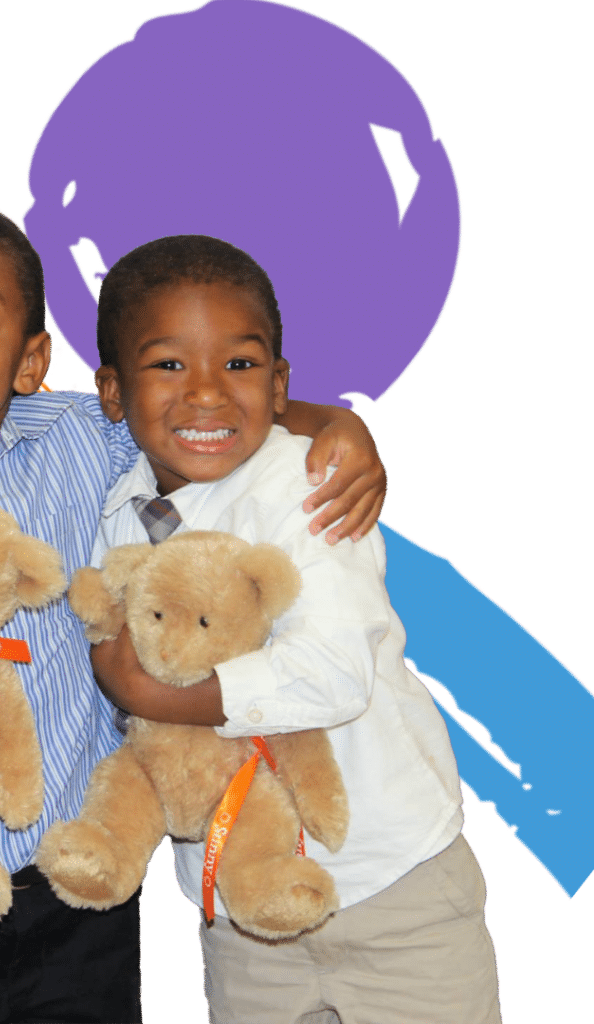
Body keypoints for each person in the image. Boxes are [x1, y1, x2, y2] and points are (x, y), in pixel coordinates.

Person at [0, 196, 387, 1023]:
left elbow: (200, 410)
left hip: (82, 884)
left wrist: (338, 424)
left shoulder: (83, 440)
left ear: (32, 358)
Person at [85, 234, 502, 1023]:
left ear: (279, 384)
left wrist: (149, 692)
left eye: (239, 365)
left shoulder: (310, 491)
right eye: (169, 364)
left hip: (392, 889)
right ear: (113, 392)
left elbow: (335, 674)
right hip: (244, 911)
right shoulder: (118, 512)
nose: (206, 394)